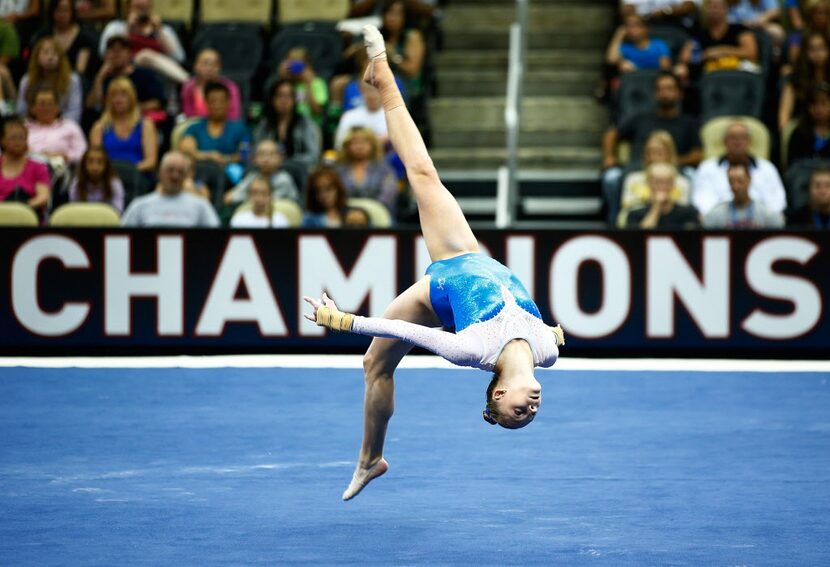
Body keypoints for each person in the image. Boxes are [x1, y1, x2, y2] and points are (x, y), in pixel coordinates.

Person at [303, 26, 564, 501]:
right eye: (530, 417)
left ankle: (382, 76)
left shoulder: (472, 350)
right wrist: (553, 333)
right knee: (374, 366)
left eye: (516, 415)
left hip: (441, 280)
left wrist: (342, 319)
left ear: (498, 395)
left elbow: (408, 332)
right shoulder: (548, 352)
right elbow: (549, 331)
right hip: (471, 255)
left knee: (376, 356)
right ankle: (373, 459)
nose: (530, 412)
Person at [601, 71, 702, 223]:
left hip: (675, 171)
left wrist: (670, 161)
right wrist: (610, 156)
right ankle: (615, 221)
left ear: (679, 93)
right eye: (660, 89)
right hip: (638, 169)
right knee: (611, 177)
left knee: (692, 176)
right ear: (655, 93)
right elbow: (612, 134)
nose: (664, 93)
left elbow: (698, 154)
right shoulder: (641, 118)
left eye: (669, 88)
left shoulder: (688, 122)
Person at [693, 122, 786, 215]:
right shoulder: (707, 168)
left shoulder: (767, 168)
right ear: (724, 142)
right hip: (720, 224)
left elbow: (777, 204)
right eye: (732, 137)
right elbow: (703, 203)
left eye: (742, 137)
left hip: (759, 224)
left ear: (750, 142)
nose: (737, 141)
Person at [97, 0, 188, 84]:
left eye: (144, 9)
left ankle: (188, 83)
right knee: (144, 55)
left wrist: (159, 31)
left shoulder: (164, 30)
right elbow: (104, 53)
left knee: (146, 55)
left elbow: (179, 58)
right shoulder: (116, 27)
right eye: (137, 8)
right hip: (127, 73)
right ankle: (188, 82)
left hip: (160, 77)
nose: (141, 13)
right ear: (128, 9)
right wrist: (128, 28)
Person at [121, 151, 220, 227]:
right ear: (159, 173)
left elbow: (216, 235)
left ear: (186, 175)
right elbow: (123, 237)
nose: (175, 176)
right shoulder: (140, 205)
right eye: (170, 170)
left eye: (180, 172)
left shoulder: (201, 206)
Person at [618, 130, 691, 223]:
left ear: (670, 153)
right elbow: (627, 207)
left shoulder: (681, 182)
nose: (653, 157)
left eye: (659, 152)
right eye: (650, 152)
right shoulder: (633, 179)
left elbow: (683, 210)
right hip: (639, 220)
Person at [90, 77, 158, 173]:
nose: (118, 99)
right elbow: (95, 160)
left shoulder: (146, 125)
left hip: (137, 174)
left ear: (131, 97)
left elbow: (151, 161)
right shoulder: (99, 127)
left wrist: (128, 171)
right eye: (114, 95)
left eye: (123, 94)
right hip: (108, 176)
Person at [86, 34, 165, 114]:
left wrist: (127, 110)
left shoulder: (144, 75)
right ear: (105, 55)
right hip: (109, 122)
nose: (116, 53)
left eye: (121, 49)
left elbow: (156, 103)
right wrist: (100, 77)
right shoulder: (103, 78)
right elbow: (91, 105)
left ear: (129, 54)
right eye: (112, 49)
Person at [177, 82, 251, 168]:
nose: (217, 105)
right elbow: (186, 150)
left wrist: (225, 159)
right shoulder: (195, 128)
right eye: (213, 101)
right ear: (206, 102)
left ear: (229, 102)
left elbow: (245, 155)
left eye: (222, 101)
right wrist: (209, 156)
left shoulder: (240, 128)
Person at [254, 79, 321, 170]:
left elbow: (313, 156)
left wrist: (285, 162)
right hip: (269, 171)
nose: (284, 101)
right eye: (279, 96)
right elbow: (256, 151)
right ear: (272, 99)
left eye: (288, 96)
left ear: (294, 100)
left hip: (300, 170)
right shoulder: (265, 124)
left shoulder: (306, 123)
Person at [17, 37, 83, 123]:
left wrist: (56, 125)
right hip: (33, 124)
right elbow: (21, 111)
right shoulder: (27, 80)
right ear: (37, 57)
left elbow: (74, 112)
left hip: (63, 125)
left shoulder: (72, 79)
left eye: (55, 54)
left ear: (61, 58)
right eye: (46, 53)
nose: (50, 57)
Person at [29, 0, 98, 81]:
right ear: (52, 12)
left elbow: (80, 70)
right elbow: (35, 64)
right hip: (45, 78)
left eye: (65, 10)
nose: (61, 15)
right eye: (58, 10)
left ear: (72, 12)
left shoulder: (85, 38)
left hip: (72, 81)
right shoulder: (42, 36)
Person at [336, 126, 398, 214]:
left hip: (378, 215)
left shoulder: (384, 170)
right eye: (355, 142)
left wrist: (365, 213)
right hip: (345, 214)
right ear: (347, 146)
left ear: (372, 144)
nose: (359, 146)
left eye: (364, 142)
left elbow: (387, 197)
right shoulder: (339, 170)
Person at [703, 162, 784, 228]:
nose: (736, 186)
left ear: (749, 179)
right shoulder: (717, 214)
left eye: (740, 181)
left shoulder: (766, 214)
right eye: (731, 181)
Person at [223, 140, 299, 206]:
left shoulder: (284, 179)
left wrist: (246, 198)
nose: (266, 159)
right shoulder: (253, 176)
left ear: (280, 159)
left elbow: (264, 204)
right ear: (254, 159)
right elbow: (230, 197)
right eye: (262, 154)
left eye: (271, 154)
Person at [0, 117, 51, 216]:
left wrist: (22, 209)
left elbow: (43, 197)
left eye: (22, 137)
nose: (18, 142)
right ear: (2, 140)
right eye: (13, 138)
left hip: (28, 215)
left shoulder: (38, 167)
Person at [25, 86, 87, 166]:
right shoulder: (24, 128)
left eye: (50, 104)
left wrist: (65, 156)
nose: (46, 108)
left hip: (63, 169)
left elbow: (82, 153)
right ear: (32, 108)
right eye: (42, 104)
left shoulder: (70, 126)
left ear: (57, 107)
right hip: (29, 169)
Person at [779, 32, 830, 130]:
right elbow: (784, 117)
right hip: (803, 131)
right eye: (812, 49)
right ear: (805, 52)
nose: (817, 53)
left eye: (821, 48)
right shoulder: (795, 79)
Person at [625, 163, 701, 228]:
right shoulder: (635, 214)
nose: (663, 186)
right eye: (658, 182)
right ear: (648, 184)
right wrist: (656, 207)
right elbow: (640, 238)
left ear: (673, 185)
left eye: (667, 182)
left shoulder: (689, 213)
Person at [180, 48, 243, 121]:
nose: (210, 68)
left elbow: (234, 117)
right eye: (205, 63)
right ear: (196, 66)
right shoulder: (188, 88)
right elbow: (188, 116)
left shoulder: (230, 88)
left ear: (220, 67)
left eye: (214, 64)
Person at [274, 47, 328, 126]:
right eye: (291, 66)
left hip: (311, 125)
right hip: (289, 123)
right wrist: (282, 77)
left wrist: (308, 84)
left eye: (298, 66)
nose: (295, 70)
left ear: (307, 66)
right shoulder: (287, 85)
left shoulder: (317, 83)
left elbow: (317, 111)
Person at [69, 145, 125, 213]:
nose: (95, 167)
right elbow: (73, 210)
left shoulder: (114, 183)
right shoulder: (77, 182)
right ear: (84, 164)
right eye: (90, 161)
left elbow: (118, 211)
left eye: (100, 162)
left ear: (106, 165)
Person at [334, 81, 388, 149]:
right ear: (361, 90)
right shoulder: (349, 116)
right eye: (368, 90)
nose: (372, 94)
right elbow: (339, 145)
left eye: (376, 90)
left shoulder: (393, 116)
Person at [788, 85, 830, 163]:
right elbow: (793, 164)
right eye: (814, 104)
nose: (818, 109)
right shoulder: (799, 132)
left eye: (823, 104)